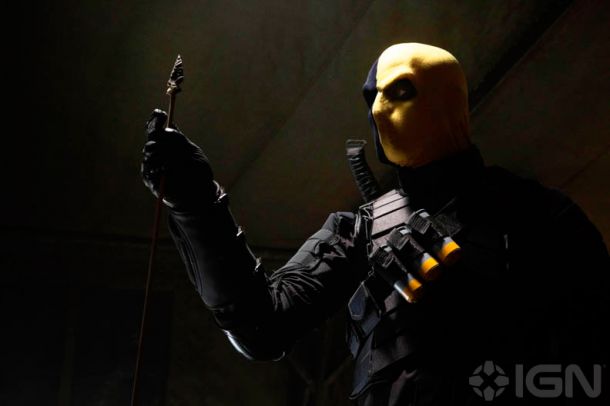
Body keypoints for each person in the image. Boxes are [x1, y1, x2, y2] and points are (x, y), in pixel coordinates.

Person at [141, 43, 608, 405]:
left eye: (400, 90)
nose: (379, 108)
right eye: (372, 97)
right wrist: (196, 204)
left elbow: (592, 364)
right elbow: (261, 327)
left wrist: (485, 327)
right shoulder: (358, 231)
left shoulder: (539, 216)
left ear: (449, 99)